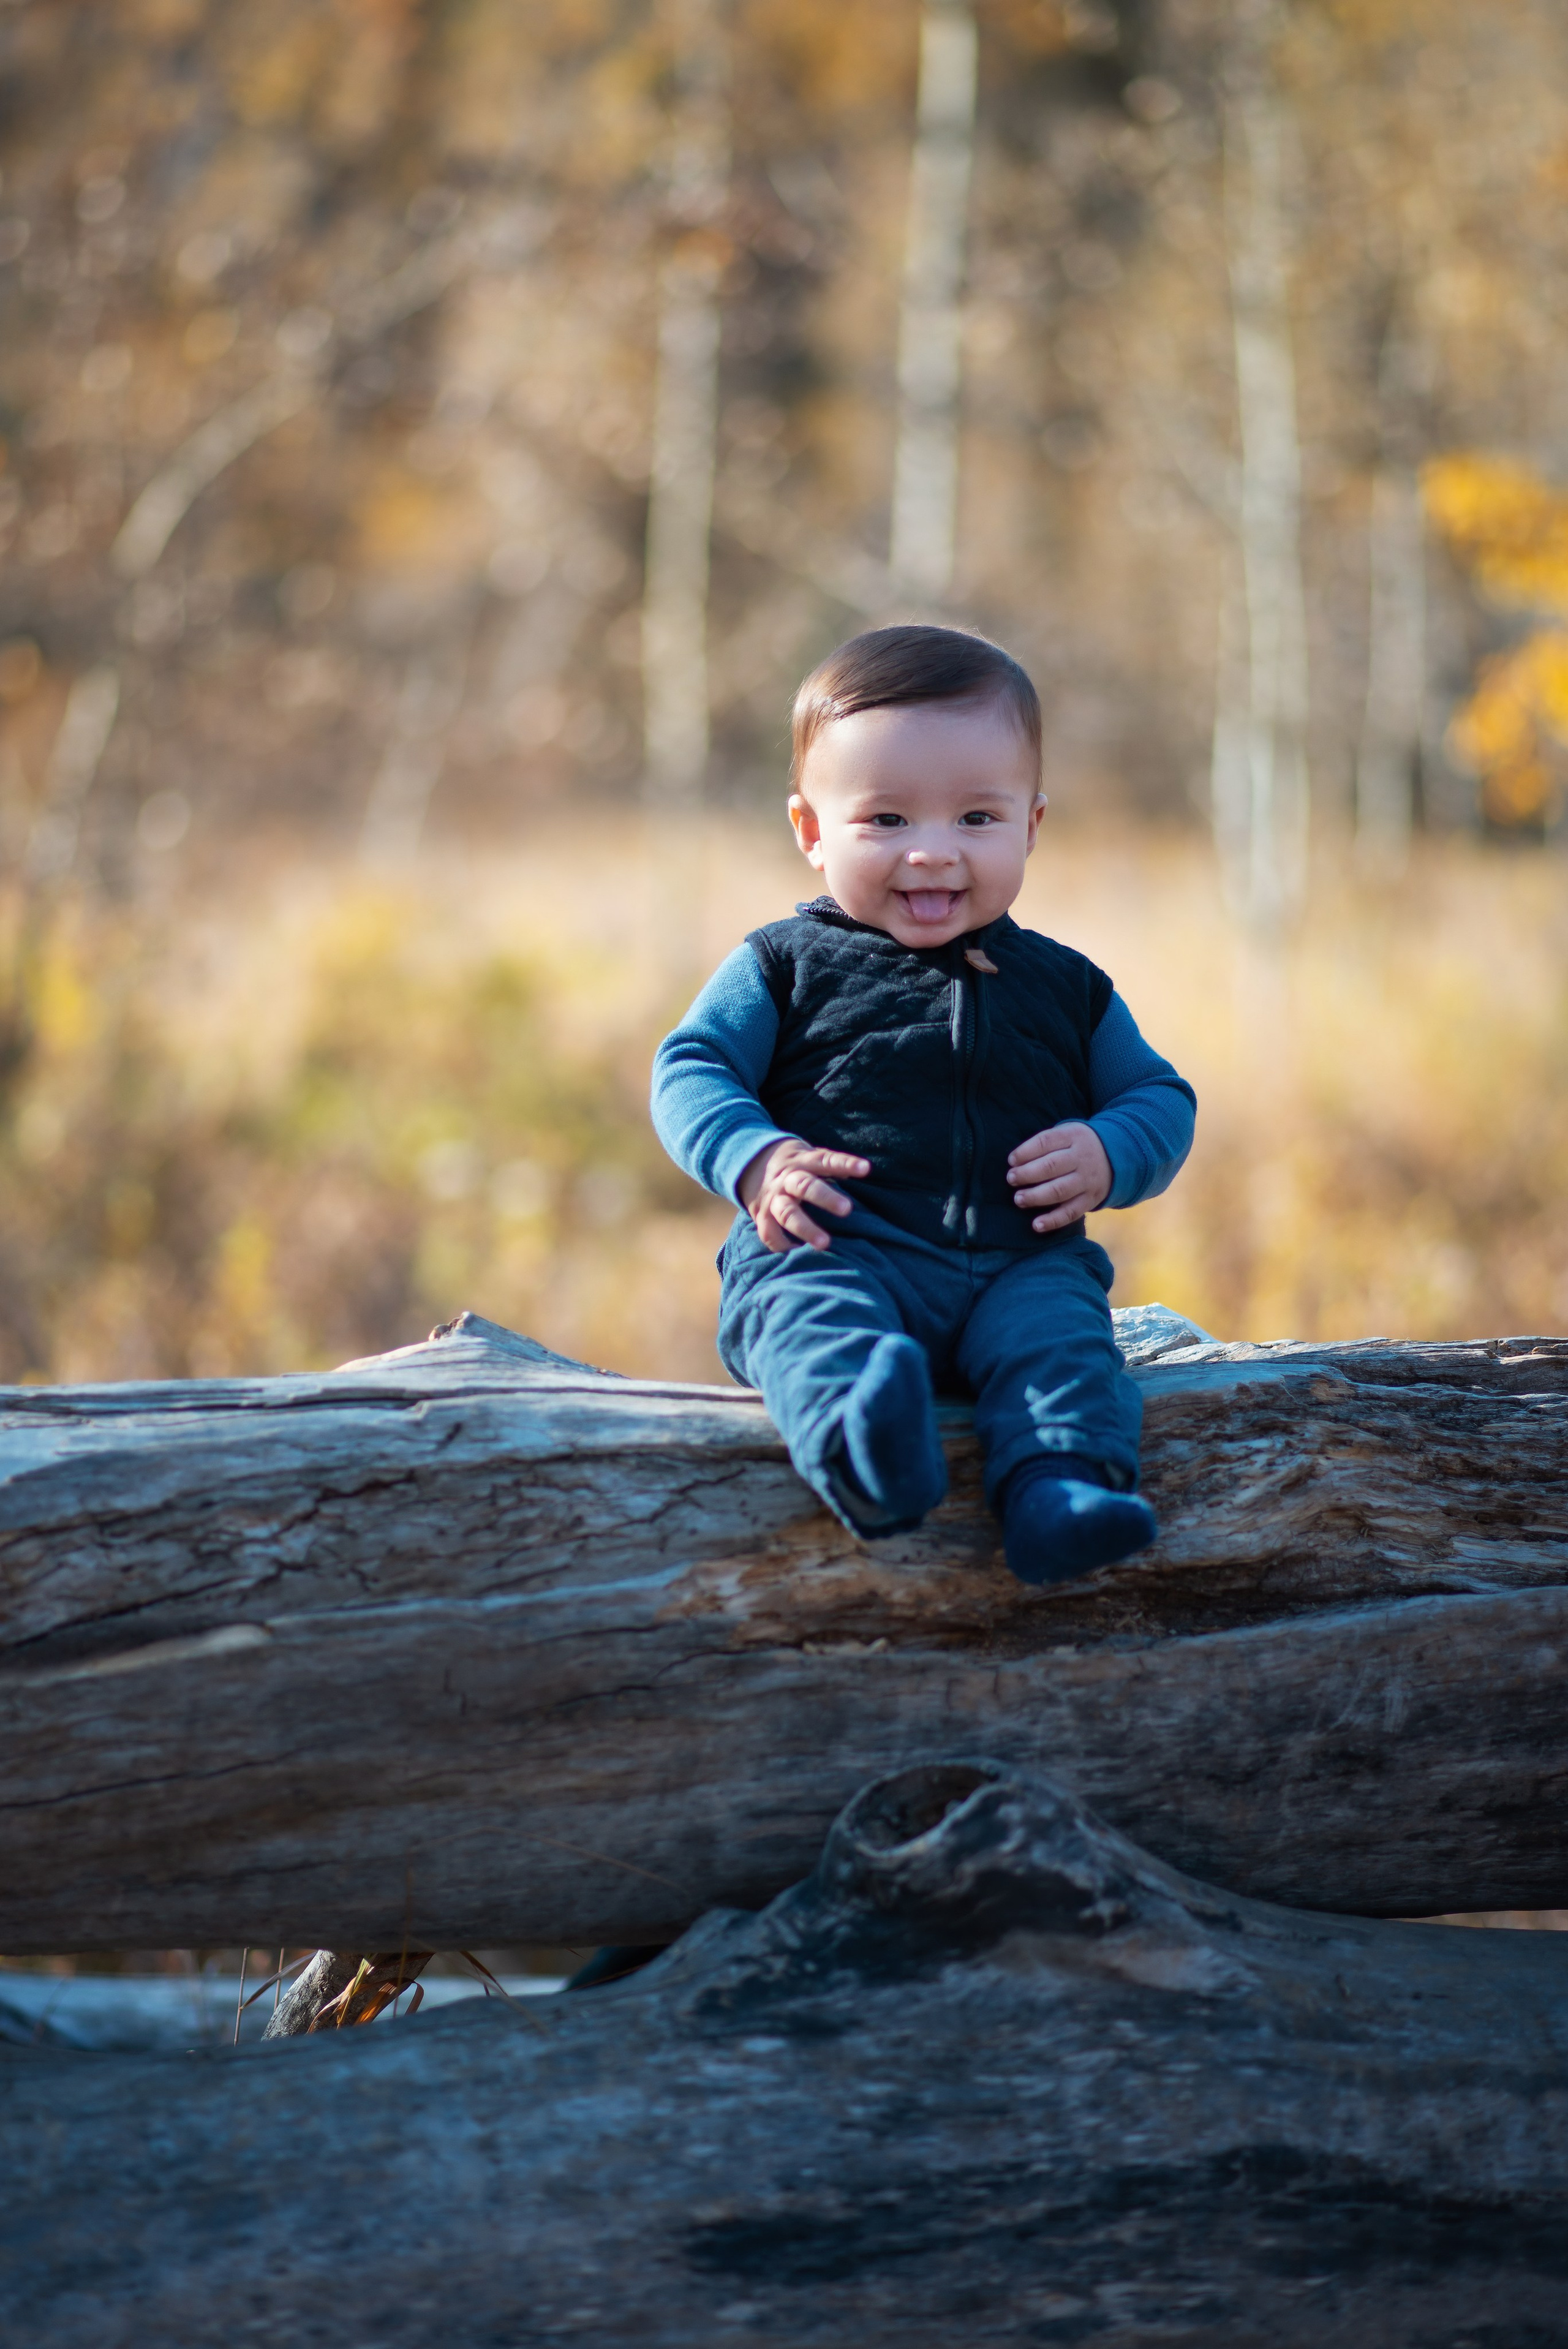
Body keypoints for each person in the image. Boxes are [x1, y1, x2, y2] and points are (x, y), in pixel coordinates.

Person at [650, 624, 1196, 1586]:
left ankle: (1059, 1494)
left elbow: (1160, 1096)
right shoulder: (783, 965)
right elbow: (690, 1067)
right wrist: (755, 1160)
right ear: (812, 832)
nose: (933, 853)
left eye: (977, 818)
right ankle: (869, 1454)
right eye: (888, 820)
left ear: (1032, 825)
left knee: (1066, 1344)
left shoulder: (1069, 988)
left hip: (1019, 1264)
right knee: (809, 1316)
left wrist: (1110, 1150)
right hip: (838, 1243)